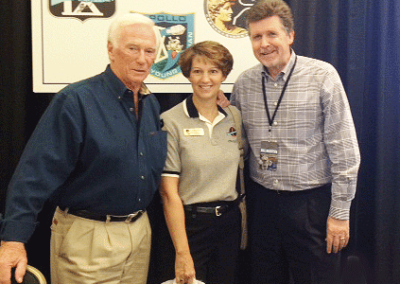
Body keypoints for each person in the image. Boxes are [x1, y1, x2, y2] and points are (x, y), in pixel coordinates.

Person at [0, 13, 167, 284]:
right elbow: (34, 174)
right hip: (88, 239)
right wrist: (13, 240)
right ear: (111, 50)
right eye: (132, 48)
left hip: (139, 234)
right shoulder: (76, 101)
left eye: (149, 51)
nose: (142, 58)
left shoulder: (150, 104)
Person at [230, 0, 361, 283]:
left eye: (272, 34)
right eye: (256, 37)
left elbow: (345, 151)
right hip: (262, 205)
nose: (264, 44)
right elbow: (236, 143)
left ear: (290, 35)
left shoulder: (322, 76)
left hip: (310, 207)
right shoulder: (244, 84)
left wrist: (339, 213)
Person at [159, 41, 242, 284]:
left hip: (229, 224)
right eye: (198, 71)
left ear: (224, 75)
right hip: (189, 226)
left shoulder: (234, 117)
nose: (205, 79)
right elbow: (168, 193)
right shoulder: (170, 120)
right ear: (188, 74)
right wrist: (182, 253)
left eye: (213, 71)